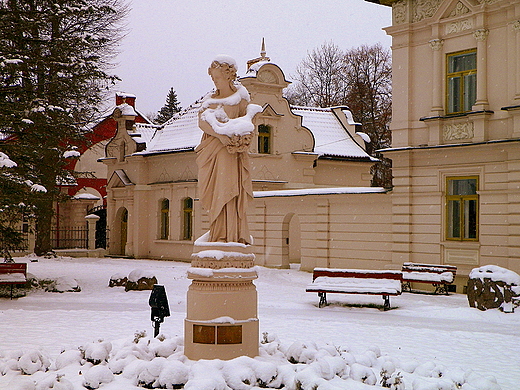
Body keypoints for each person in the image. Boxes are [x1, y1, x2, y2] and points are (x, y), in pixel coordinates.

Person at [195, 56, 261, 244]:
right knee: (214, 192)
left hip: (229, 154)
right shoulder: (209, 98)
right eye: (213, 78)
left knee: (229, 190)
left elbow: (249, 120)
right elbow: (202, 122)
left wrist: (237, 137)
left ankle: (230, 233)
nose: (215, 81)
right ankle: (217, 232)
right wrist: (221, 135)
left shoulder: (240, 97)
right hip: (211, 151)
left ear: (228, 76)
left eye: (217, 77)